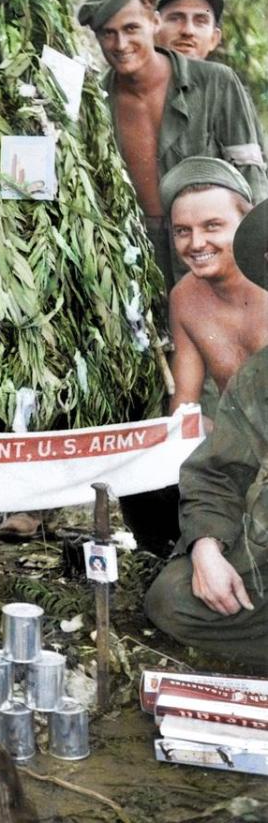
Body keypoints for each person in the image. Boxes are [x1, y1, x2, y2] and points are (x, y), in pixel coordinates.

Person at [77, 0, 267, 289]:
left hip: (212, 254)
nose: (121, 43)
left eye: (131, 28)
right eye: (108, 33)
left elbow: (252, 174)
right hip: (133, 259)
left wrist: (257, 257)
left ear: (154, 23)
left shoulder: (216, 83)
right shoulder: (94, 101)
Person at [144, 200, 268, 668]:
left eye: (212, 226)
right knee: (171, 599)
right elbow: (217, 472)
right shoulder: (259, 377)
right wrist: (206, 548)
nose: (196, 242)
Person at [161, 157, 268, 420]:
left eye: (212, 226)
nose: (196, 243)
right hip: (244, 449)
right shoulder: (185, 298)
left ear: (246, 221)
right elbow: (185, 407)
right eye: (183, 231)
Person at [156, 0, 225, 61]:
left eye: (200, 21)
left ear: (214, 39)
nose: (188, 31)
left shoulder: (223, 75)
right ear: (154, 29)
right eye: (175, 19)